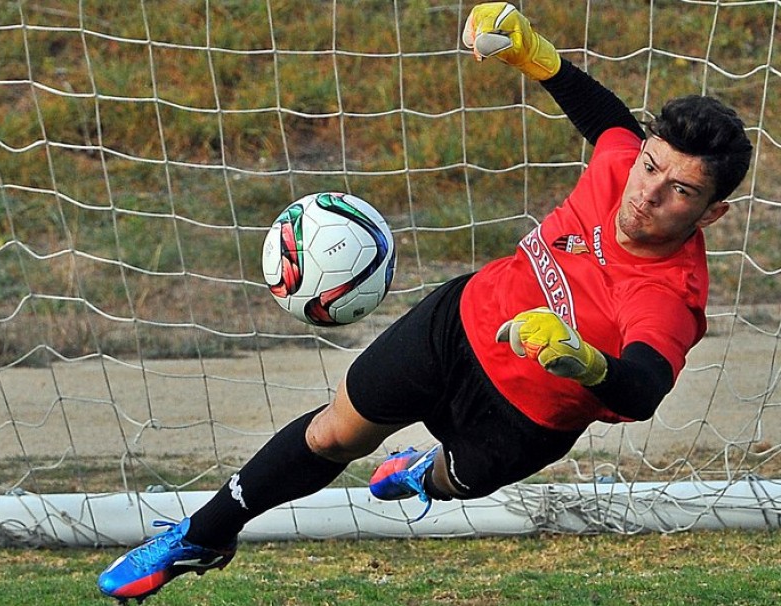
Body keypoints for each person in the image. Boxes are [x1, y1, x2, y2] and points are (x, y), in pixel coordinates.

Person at [97, 2, 753, 602]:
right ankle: (202, 536)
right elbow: (608, 122)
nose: (648, 193)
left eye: (680, 191)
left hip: (526, 421)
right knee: (332, 433)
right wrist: (538, 55)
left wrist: (586, 363)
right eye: (650, 167)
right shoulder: (622, 164)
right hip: (455, 326)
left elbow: (642, 388)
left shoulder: (670, 296)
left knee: (454, 482)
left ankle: (421, 474)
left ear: (713, 213)